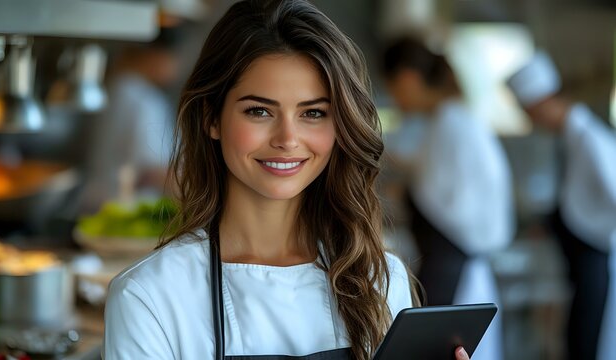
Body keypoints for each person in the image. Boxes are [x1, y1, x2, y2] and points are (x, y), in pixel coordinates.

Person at [103, 1, 473, 359]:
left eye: (312, 113)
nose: (287, 139)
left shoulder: (379, 280)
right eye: (259, 111)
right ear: (211, 119)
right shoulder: (148, 296)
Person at [381, 36, 515, 360]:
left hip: (456, 275)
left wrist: (404, 192)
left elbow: (436, 202)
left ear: (408, 79)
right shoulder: (449, 122)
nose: (394, 97)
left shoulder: (452, 125)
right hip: (455, 269)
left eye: (392, 87)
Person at [507, 51, 616, 360]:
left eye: (528, 111)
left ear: (541, 103)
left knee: (588, 345)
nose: (529, 119)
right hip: (583, 264)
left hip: (598, 262)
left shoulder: (590, 139)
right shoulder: (571, 138)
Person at [80, 28, 181, 212]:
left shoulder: (115, 87)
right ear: (155, 56)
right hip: (124, 211)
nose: (175, 68)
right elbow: (151, 172)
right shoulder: (143, 98)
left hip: (99, 203)